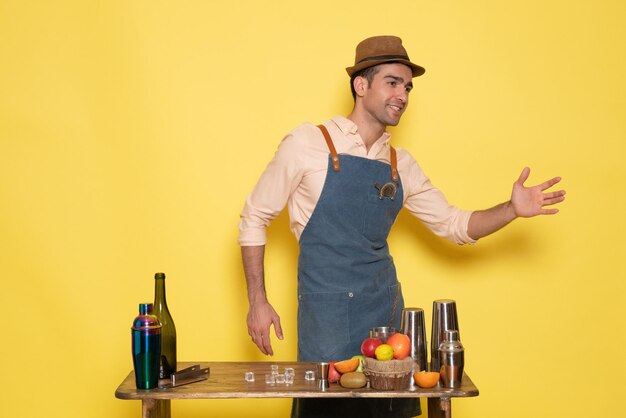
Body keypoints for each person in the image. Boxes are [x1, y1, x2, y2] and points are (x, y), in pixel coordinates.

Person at [238, 35, 565, 418]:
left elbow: (455, 225)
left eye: (407, 86)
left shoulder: (401, 164)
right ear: (361, 86)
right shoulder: (307, 143)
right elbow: (254, 218)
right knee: (326, 412)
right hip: (326, 316)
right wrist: (258, 302)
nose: (403, 95)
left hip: (385, 318)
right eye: (392, 82)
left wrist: (511, 209)